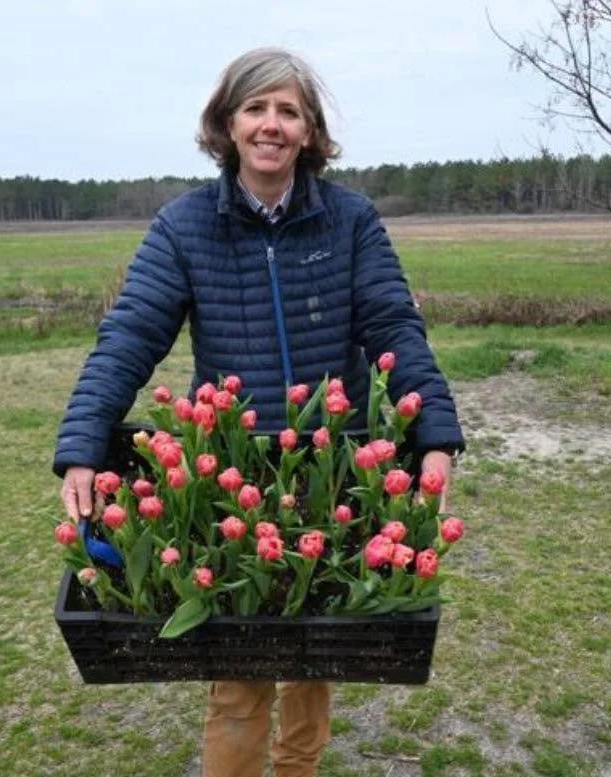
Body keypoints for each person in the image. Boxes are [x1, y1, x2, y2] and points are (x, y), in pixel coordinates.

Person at [53, 46, 465, 777]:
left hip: (329, 473)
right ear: (228, 123)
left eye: (288, 111)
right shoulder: (185, 226)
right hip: (237, 473)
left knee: (314, 660)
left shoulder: (351, 221)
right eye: (256, 108)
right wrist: (83, 443)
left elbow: (397, 329)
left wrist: (434, 438)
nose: (271, 125)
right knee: (239, 669)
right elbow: (130, 336)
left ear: (309, 131)